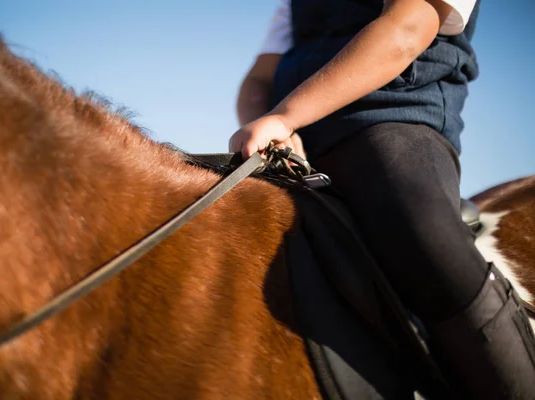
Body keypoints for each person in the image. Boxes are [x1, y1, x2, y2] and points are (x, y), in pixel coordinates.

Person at [229, 0, 535, 398]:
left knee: (427, 240)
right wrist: (274, 128)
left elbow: (409, 27)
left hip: (392, 121)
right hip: (296, 143)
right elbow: (259, 77)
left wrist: (287, 116)